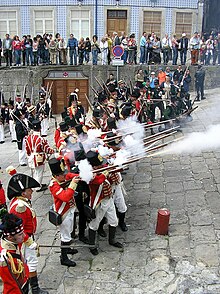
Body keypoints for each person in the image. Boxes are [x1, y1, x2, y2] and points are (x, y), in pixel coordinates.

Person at [7, 168, 48, 294]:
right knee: (31, 262)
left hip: (26, 237)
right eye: (30, 190)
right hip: (24, 239)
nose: (32, 192)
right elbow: (18, 230)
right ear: (23, 193)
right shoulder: (20, 207)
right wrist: (29, 241)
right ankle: (34, 289)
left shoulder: (20, 201)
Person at [86, 150, 123, 255]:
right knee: (94, 225)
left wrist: (113, 167)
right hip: (99, 202)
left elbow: (116, 173)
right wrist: (105, 173)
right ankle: (91, 245)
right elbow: (98, 181)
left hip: (109, 198)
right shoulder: (89, 174)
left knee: (114, 221)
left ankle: (112, 240)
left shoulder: (101, 168)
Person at [48, 157, 80, 267]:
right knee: (65, 235)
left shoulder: (62, 177)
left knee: (69, 231)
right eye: (62, 174)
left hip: (70, 209)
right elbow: (65, 197)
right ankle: (64, 258)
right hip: (63, 212)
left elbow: (70, 176)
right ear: (56, 176)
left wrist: (79, 176)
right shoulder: (54, 185)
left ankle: (68, 249)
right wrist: (73, 184)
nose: (64, 175)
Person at [0, 213, 29, 293]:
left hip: (22, 282)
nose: (24, 236)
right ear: (10, 237)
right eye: (20, 234)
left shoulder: (12, 242)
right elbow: (10, 286)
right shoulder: (5, 259)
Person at [25, 119, 54, 192]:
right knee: (39, 172)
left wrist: (29, 155)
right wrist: (53, 151)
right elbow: (46, 149)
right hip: (38, 158)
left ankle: (36, 184)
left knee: (34, 172)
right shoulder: (41, 139)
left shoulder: (28, 137)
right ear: (40, 128)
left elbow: (27, 149)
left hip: (31, 156)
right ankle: (37, 187)